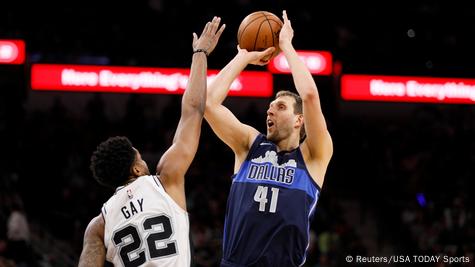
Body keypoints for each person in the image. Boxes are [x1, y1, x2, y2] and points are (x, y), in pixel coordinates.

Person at [78, 16, 225, 267]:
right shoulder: (166, 180)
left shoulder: (98, 225)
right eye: (141, 158)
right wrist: (200, 53)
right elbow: (193, 111)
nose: (146, 162)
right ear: (136, 169)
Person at [204, 10, 333, 266]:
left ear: (300, 120)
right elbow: (208, 103)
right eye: (271, 106)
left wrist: (286, 46)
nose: (270, 109)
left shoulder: (314, 155)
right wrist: (243, 56)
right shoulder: (249, 145)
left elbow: (309, 96)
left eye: (281, 107)